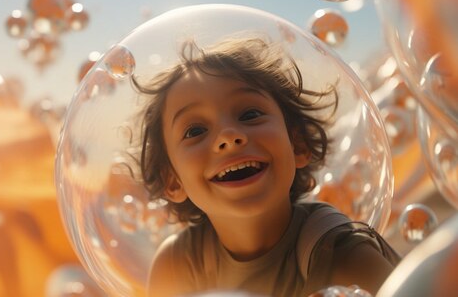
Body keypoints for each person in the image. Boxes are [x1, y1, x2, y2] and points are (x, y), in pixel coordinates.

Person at [130, 36, 400, 297]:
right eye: (195, 130)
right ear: (173, 181)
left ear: (298, 146)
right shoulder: (177, 265)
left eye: (250, 114)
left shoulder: (343, 256)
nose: (228, 136)